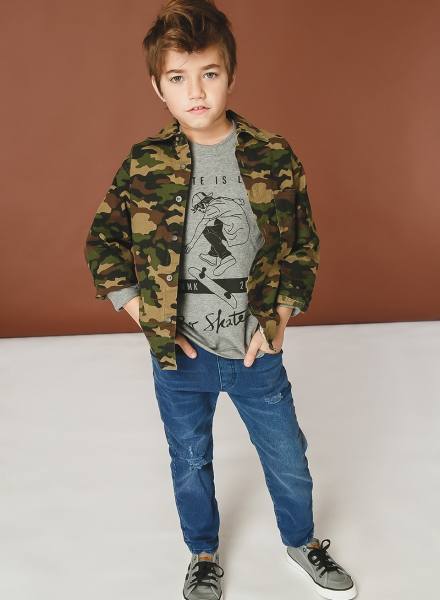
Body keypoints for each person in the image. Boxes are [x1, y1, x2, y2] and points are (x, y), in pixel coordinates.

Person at [84, 1, 357, 598]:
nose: (196, 91)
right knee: (189, 459)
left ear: (230, 74)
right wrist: (146, 317)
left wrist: (279, 319)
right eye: (178, 78)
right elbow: (103, 243)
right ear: (157, 86)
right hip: (180, 357)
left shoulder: (273, 154)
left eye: (209, 73)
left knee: (288, 456)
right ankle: (203, 552)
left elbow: (303, 244)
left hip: (255, 350)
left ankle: (302, 540)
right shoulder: (145, 163)